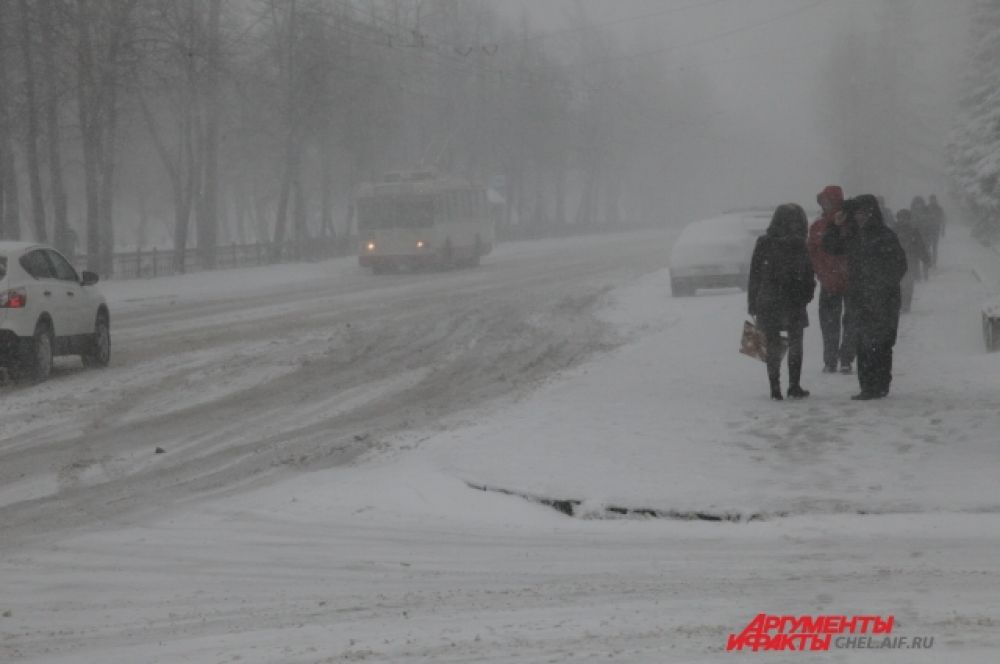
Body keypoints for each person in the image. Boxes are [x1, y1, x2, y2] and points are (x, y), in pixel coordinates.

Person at [823, 195, 908, 400]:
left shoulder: (885, 236)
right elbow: (830, 246)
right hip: (860, 299)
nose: (860, 218)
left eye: (863, 213)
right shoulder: (853, 237)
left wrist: (880, 285)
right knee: (863, 342)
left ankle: (881, 383)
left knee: (882, 342)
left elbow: (899, 266)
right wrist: (835, 224)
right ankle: (868, 386)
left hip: (883, 299)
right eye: (857, 213)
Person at [748, 204, 816, 400]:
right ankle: (794, 386)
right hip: (794, 300)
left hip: (768, 300)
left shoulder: (764, 242)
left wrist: (752, 302)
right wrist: (807, 295)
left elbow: (755, 275)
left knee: (771, 344)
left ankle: (774, 387)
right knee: (796, 343)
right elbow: (808, 274)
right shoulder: (800, 244)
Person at [807, 185, 856, 374]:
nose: (825, 205)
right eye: (824, 202)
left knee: (851, 322)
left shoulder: (850, 223)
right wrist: (819, 272)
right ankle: (830, 359)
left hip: (850, 281)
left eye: (829, 201)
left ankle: (846, 357)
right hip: (828, 282)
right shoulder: (818, 225)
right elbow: (812, 251)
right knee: (828, 323)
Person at [892, 209, 931, 313]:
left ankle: (906, 304)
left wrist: (925, 258)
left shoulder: (914, 231)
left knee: (908, 284)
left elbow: (920, 246)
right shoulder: (893, 231)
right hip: (896, 261)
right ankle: (899, 303)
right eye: (901, 218)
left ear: (909, 219)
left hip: (910, 261)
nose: (903, 220)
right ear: (898, 218)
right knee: (898, 284)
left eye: (905, 218)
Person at [910, 196, 935, 279]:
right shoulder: (911, 213)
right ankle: (917, 275)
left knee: (925, 255)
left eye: (920, 203)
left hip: (925, 238)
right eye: (917, 203)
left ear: (922, 204)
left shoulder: (927, 213)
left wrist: (930, 237)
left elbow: (930, 225)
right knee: (915, 257)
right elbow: (909, 226)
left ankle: (925, 272)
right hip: (915, 239)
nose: (918, 205)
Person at [926, 194, 946, 260]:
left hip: (936, 229)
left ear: (935, 200)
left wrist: (943, 230)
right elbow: (923, 218)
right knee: (928, 246)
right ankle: (929, 260)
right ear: (929, 200)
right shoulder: (926, 208)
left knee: (934, 247)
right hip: (928, 230)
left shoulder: (939, 209)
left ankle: (934, 262)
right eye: (931, 199)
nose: (932, 201)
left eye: (933, 199)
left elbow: (943, 219)